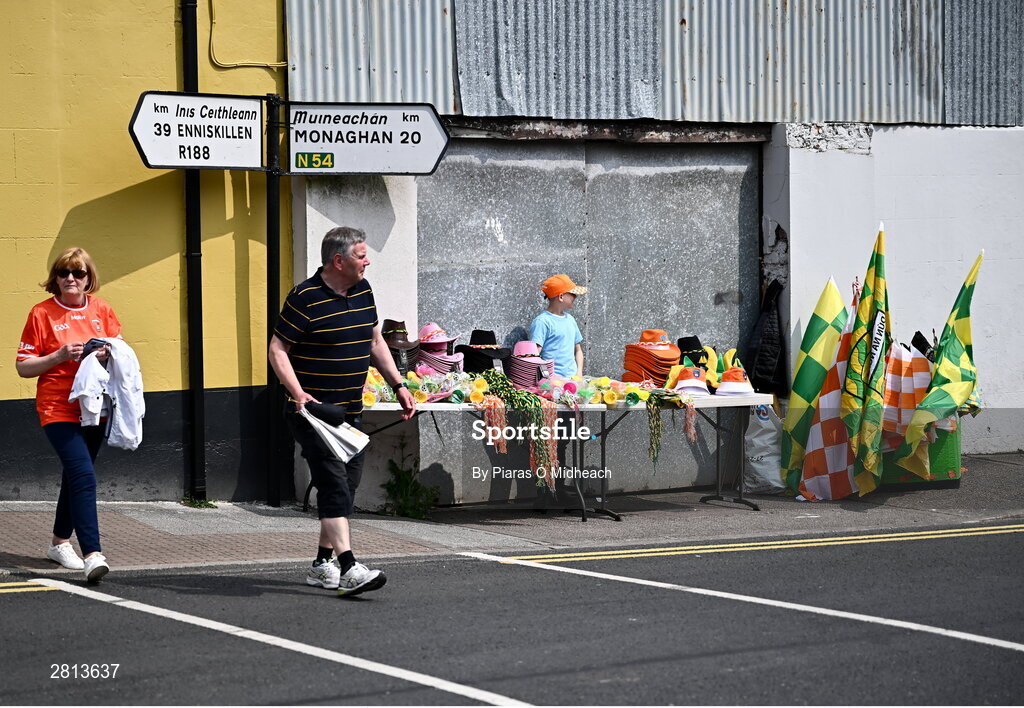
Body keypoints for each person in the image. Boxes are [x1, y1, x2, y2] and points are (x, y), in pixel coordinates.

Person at [268, 226, 415, 597]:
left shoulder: (363, 291)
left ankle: (321, 563)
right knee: (333, 482)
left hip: (349, 411)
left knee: (346, 487)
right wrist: (299, 394)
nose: (368, 261)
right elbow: (277, 349)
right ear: (339, 260)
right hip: (313, 412)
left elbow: (375, 341)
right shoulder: (304, 297)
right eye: (361, 255)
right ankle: (349, 568)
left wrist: (399, 385)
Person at [16, 247, 121, 583]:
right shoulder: (41, 313)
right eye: (64, 273)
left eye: (79, 273)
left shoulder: (102, 310)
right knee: (84, 476)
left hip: (94, 407)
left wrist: (105, 355)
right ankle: (93, 554)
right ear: (55, 278)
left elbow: (122, 355)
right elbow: (23, 367)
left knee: (76, 475)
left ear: (89, 278)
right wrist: (59, 355)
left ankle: (59, 543)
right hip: (56, 407)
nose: (71, 279)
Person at [529, 274, 587, 377]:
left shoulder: (570, 320)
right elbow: (534, 356)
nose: (576, 296)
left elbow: (578, 349)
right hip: (553, 383)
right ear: (561, 296)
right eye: (572, 293)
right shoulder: (542, 322)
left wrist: (579, 373)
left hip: (573, 380)